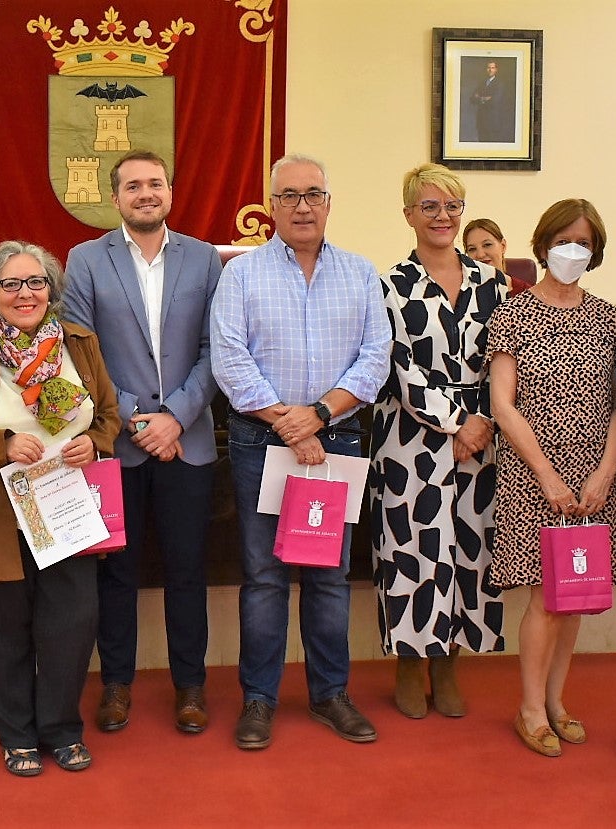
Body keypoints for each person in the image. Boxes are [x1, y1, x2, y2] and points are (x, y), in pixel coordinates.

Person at [211, 153, 391, 750]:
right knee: (264, 577)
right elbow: (230, 358)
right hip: (259, 440)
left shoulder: (362, 273)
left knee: (329, 577)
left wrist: (316, 415)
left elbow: (375, 357)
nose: (302, 206)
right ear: (271, 207)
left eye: (313, 193)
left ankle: (329, 695)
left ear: (330, 203)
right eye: (288, 196)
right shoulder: (240, 274)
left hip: (334, 438)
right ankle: (258, 701)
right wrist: (288, 423)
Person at [0, 240, 120, 777]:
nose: (25, 293)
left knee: (70, 629)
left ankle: (61, 730)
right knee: (1, 632)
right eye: (10, 284)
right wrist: (2, 445)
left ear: (51, 290)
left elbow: (108, 414)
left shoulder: (79, 345)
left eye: (35, 282)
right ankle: (16, 736)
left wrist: (95, 443)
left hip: (66, 510)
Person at [63, 150, 221, 735]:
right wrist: (135, 418)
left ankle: (191, 686)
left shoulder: (205, 260)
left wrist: (175, 417)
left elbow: (215, 350)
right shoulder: (84, 260)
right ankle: (117, 685)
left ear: (171, 192)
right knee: (116, 575)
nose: (146, 193)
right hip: (117, 445)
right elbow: (79, 351)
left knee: (187, 571)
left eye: (155, 184)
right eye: (134, 185)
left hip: (188, 442)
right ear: (116, 197)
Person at [485, 198, 616, 757]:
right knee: (548, 596)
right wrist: (547, 474)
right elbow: (503, 405)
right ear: (543, 244)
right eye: (564, 240)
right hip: (535, 474)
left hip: (596, 478)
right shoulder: (514, 314)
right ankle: (529, 708)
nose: (574, 250)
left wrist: (606, 472)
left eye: (585, 243)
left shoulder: (609, 318)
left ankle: (555, 699)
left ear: (595, 252)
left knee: (577, 594)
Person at [370, 163, 509, 720]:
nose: (442, 216)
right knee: (411, 551)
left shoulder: (492, 282)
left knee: (469, 551)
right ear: (408, 215)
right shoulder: (388, 284)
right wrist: (457, 423)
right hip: (410, 441)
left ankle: (450, 661)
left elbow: (508, 361)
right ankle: (408, 662)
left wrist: (482, 424)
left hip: (483, 435)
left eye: (451, 206)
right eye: (429, 206)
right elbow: (398, 367)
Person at [470, 60, 512, 142]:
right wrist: (485, 98)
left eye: (492, 68)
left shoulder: (500, 84)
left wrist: (479, 97)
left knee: (491, 145)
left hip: (493, 121)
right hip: (481, 120)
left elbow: (495, 101)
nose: (490, 70)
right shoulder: (481, 83)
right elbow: (472, 99)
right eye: (488, 68)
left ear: (496, 70)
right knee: (482, 144)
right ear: (486, 69)